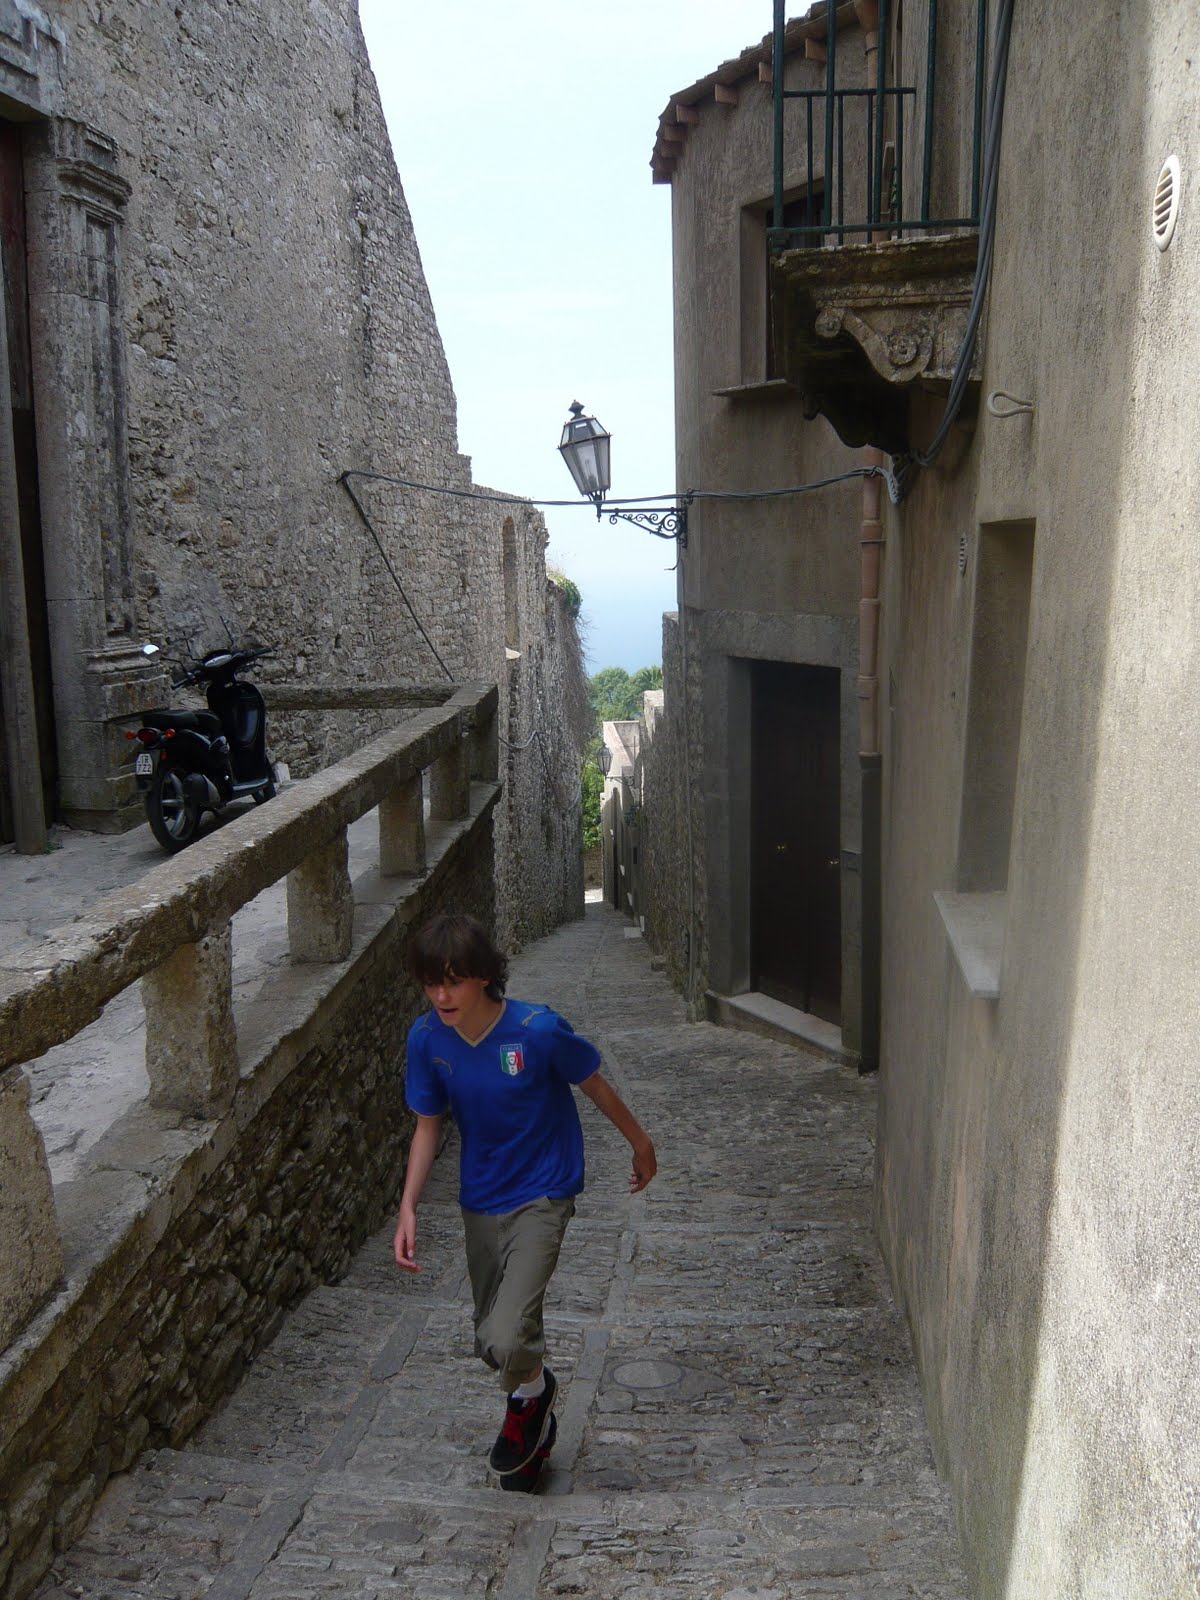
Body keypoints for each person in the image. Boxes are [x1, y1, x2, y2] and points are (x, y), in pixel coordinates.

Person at [394, 912, 656, 1479]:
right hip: (480, 1198)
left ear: (484, 976)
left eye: (453, 982)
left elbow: (594, 1084)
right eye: (431, 983)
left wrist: (641, 1144)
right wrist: (408, 1205)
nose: (441, 996)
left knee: (508, 1334)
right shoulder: (427, 1039)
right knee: (491, 1340)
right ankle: (532, 1394)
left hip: (544, 1190)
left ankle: (527, 1400)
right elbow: (428, 1126)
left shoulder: (537, 1031)